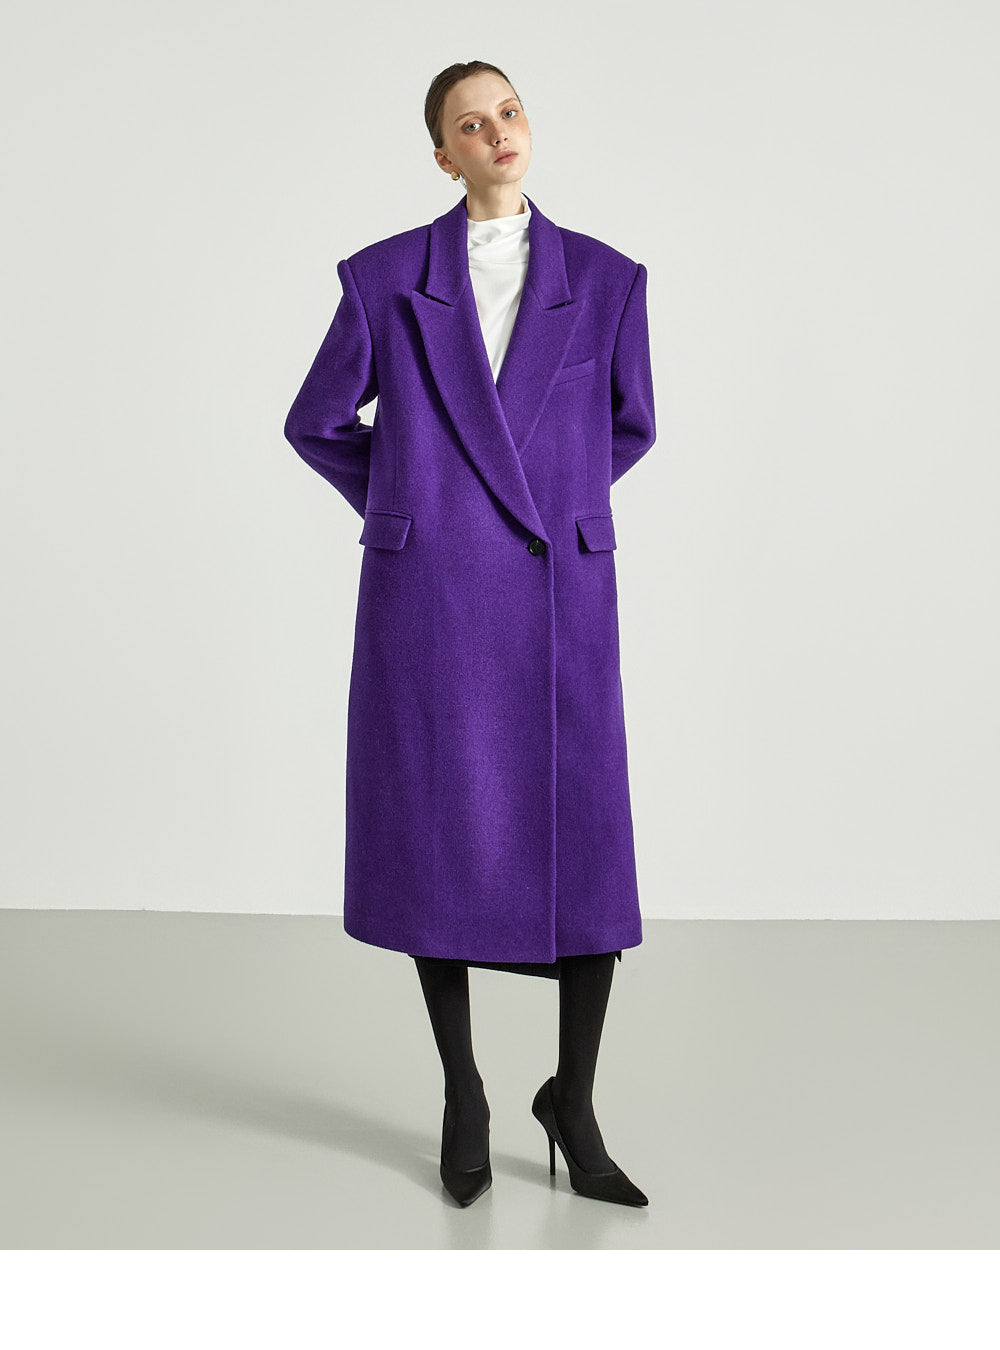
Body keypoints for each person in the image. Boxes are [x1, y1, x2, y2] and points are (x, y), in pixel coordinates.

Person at [283, 60, 656, 1208]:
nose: (497, 131)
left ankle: (572, 1101)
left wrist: (548, 503)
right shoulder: (386, 279)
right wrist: (416, 502)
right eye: (469, 123)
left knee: (585, 846)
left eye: (509, 110)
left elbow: (631, 425)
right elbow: (315, 420)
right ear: (442, 155)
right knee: (434, 840)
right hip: (433, 598)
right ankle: (463, 1093)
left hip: (559, 597)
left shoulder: (607, 279)